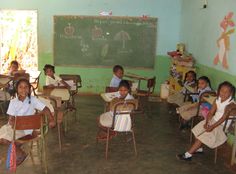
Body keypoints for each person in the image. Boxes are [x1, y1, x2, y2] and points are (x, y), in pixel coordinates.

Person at [0, 78, 55, 165]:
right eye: (20, 87)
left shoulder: (33, 100)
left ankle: (19, 152)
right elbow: (11, 119)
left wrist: (51, 119)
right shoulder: (13, 102)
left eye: (26, 87)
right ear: (17, 89)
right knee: (3, 135)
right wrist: (12, 122)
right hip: (16, 128)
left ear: (29, 89)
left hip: (29, 130)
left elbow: (45, 109)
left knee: (4, 134)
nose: (23, 89)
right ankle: (19, 151)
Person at [176, 81, 235, 161]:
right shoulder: (217, 99)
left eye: (226, 92)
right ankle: (199, 149)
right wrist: (207, 122)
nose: (223, 93)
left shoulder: (230, 105)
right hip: (213, 120)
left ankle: (188, 155)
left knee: (202, 137)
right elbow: (211, 112)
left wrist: (211, 126)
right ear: (218, 91)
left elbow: (222, 119)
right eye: (221, 91)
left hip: (221, 126)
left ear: (231, 93)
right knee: (196, 130)